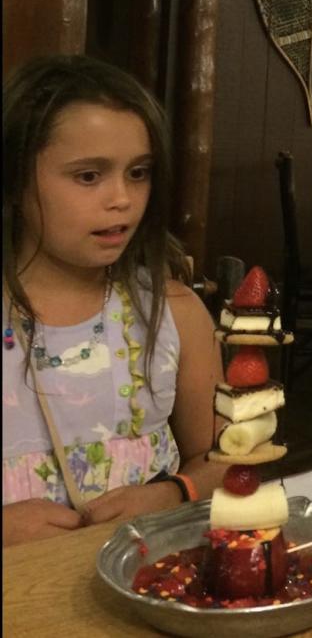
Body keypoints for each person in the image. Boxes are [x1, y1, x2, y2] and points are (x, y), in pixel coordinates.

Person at [2, 54, 224, 547]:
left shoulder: (174, 313)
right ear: (15, 179)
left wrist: (175, 492)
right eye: (88, 176)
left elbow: (226, 459)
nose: (122, 199)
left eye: (139, 173)